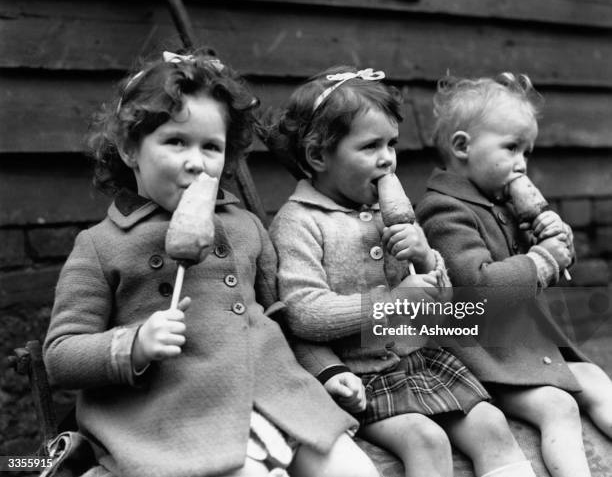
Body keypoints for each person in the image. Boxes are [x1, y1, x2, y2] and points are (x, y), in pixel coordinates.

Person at [43, 49, 380, 477]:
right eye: (175, 142)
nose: (196, 162)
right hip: (173, 417)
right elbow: (61, 355)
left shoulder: (245, 228)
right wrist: (135, 344)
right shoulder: (101, 245)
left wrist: (327, 370)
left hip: (279, 396)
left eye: (212, 147)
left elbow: (282, 318)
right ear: (130, 150)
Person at [266, 66, 536, 477]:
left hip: (422, 360)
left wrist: (427, 259)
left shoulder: (389, 212)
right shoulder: (298, 223)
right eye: (370, 146)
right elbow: (304, 313)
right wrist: (390, 305)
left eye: (391, 143)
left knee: (492, 425)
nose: (387, 158)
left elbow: (441, 304)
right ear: (318, 156)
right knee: (425, 439)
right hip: (358, 375)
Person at [417, 72, 612, 477]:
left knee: (593, 375)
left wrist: (554, 250)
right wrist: (540, 261)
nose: (522, 163)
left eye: (527, 151)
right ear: (462, 147)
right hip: (479, 358)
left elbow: (535, 278)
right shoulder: (443, 211)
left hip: (518, 349)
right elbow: (478, 289)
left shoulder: (499, 204)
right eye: (511, 148)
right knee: (560, 405)